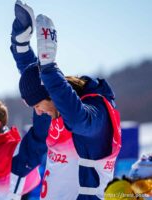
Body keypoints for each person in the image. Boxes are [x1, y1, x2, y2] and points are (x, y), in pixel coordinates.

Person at [10, 1, 122, 199]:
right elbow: (33, 77)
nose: (37, 112)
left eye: (37, 105)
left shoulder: (97, 113)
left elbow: (78, 119)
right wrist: (20, 44)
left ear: (51, 94)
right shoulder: (51, 108)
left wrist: (49, 67)